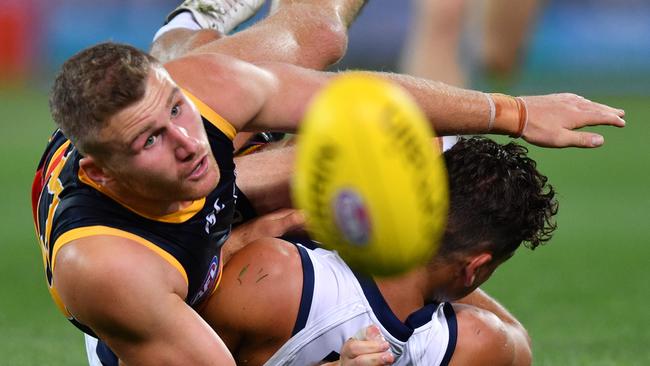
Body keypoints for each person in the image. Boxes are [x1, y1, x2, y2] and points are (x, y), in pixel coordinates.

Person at [33, 0, 623, 364]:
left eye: (178, 111)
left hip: (178, 187)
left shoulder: (200, 97)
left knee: (319, 34)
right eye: (151, 139)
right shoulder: (112, 270)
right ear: (101, 171)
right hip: (154, 311)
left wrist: (514, 113)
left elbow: (355, 102)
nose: (189, 141)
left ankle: (185, 31)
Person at [196, 137, 552, 365]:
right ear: (476, 269)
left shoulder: (273, 272)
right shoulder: (477, 344)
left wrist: (257, 231)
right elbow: (518, 339)